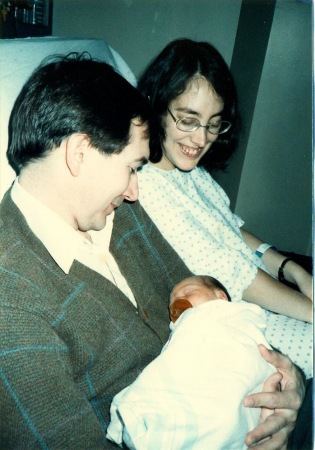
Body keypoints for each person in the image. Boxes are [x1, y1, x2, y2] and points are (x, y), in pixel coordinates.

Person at [0, 52, 308, 450]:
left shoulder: (117, 214)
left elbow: (214, 314)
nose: (135, 191)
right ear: (79, 153)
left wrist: (287, 382)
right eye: (131, 167)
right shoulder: (11, 296)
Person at [137, 38, 313, 378]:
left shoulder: (190, 174)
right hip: (240, 319)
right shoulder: (147, 187)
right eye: (188, 120)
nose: (201, 139)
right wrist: (309, 310)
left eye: (214, 123)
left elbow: (231, 228)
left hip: (264, 297)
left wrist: (294, 270)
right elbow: (237, 277)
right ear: (156, 105)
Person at [106, 276, 278, 450]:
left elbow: (253, 345)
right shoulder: (183, 330)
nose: (179, 301)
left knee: (225, 415)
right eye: (172, 303)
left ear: (221, 298)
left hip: (233, 381)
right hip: (195, 388)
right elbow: (174, 360)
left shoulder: (232, 316)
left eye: (189, 291)